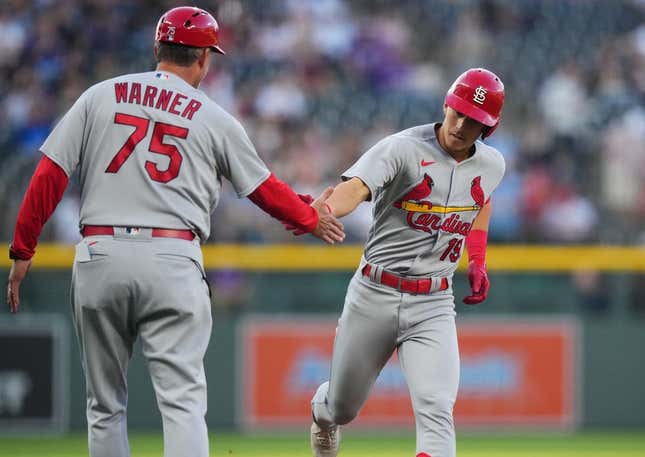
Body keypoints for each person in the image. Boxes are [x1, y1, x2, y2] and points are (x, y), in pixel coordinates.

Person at [6, 6, 344, 457]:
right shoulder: (214, 116)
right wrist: (310, 217)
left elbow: (48, 174)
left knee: (104, 407)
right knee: (182, 403)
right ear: (204, 58)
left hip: (101, 254)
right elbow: (264, 190)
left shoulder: (99, 95)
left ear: (156, 48)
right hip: (172, 257)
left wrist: (24, 249)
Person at [301, 68, 506, 457]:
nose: (462, 124)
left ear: (488, 127)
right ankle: (322, 413)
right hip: (375, 292)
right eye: (458, 112)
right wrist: (324, 209)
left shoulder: (492, 164)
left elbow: (482, 198)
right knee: (342, 407)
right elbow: (357, 188)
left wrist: (477, 259)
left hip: (434, 302)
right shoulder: (402, 148)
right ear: (446, 104)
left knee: (437, 409)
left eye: (474, 120)